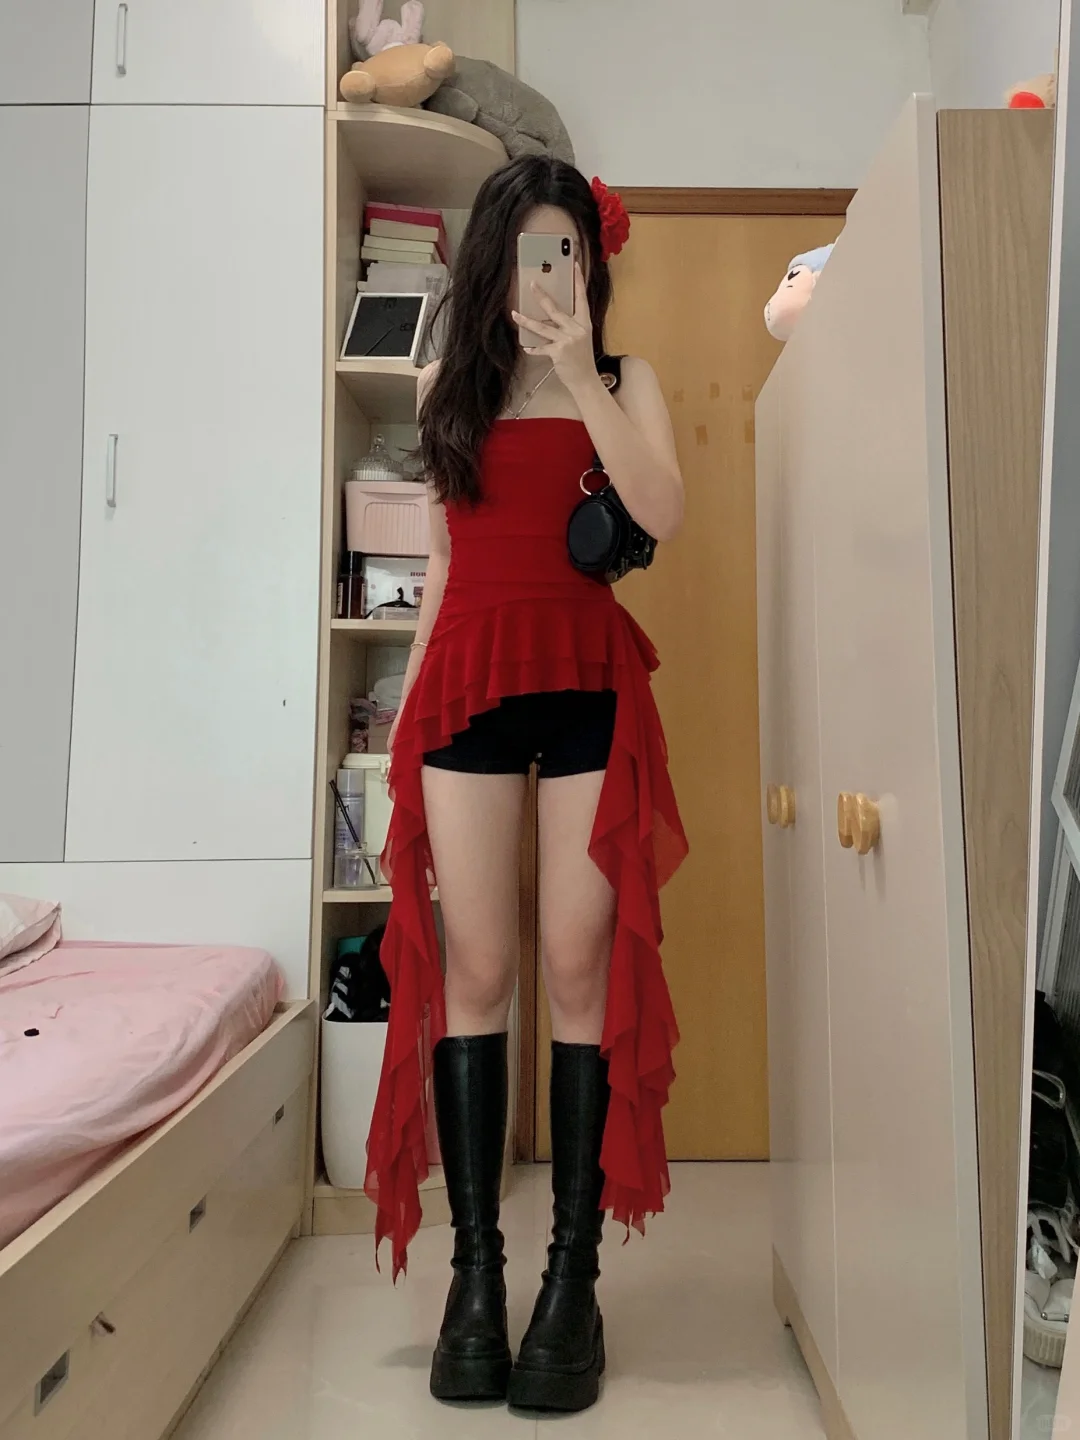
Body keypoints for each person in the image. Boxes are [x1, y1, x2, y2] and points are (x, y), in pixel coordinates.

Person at [363, 155, 688, 1413]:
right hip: (469, 684)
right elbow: (444, 573)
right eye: (533, 252)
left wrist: (580, 375)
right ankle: (477, 1279)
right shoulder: (449, 386)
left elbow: (662, 511)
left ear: (591, 267)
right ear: (495, 259)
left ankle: (571, 1281)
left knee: (573, 965)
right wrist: (404, 727)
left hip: (588, 683)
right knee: (480, 969)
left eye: (572, 254)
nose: (552, 275)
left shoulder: (623, 378)